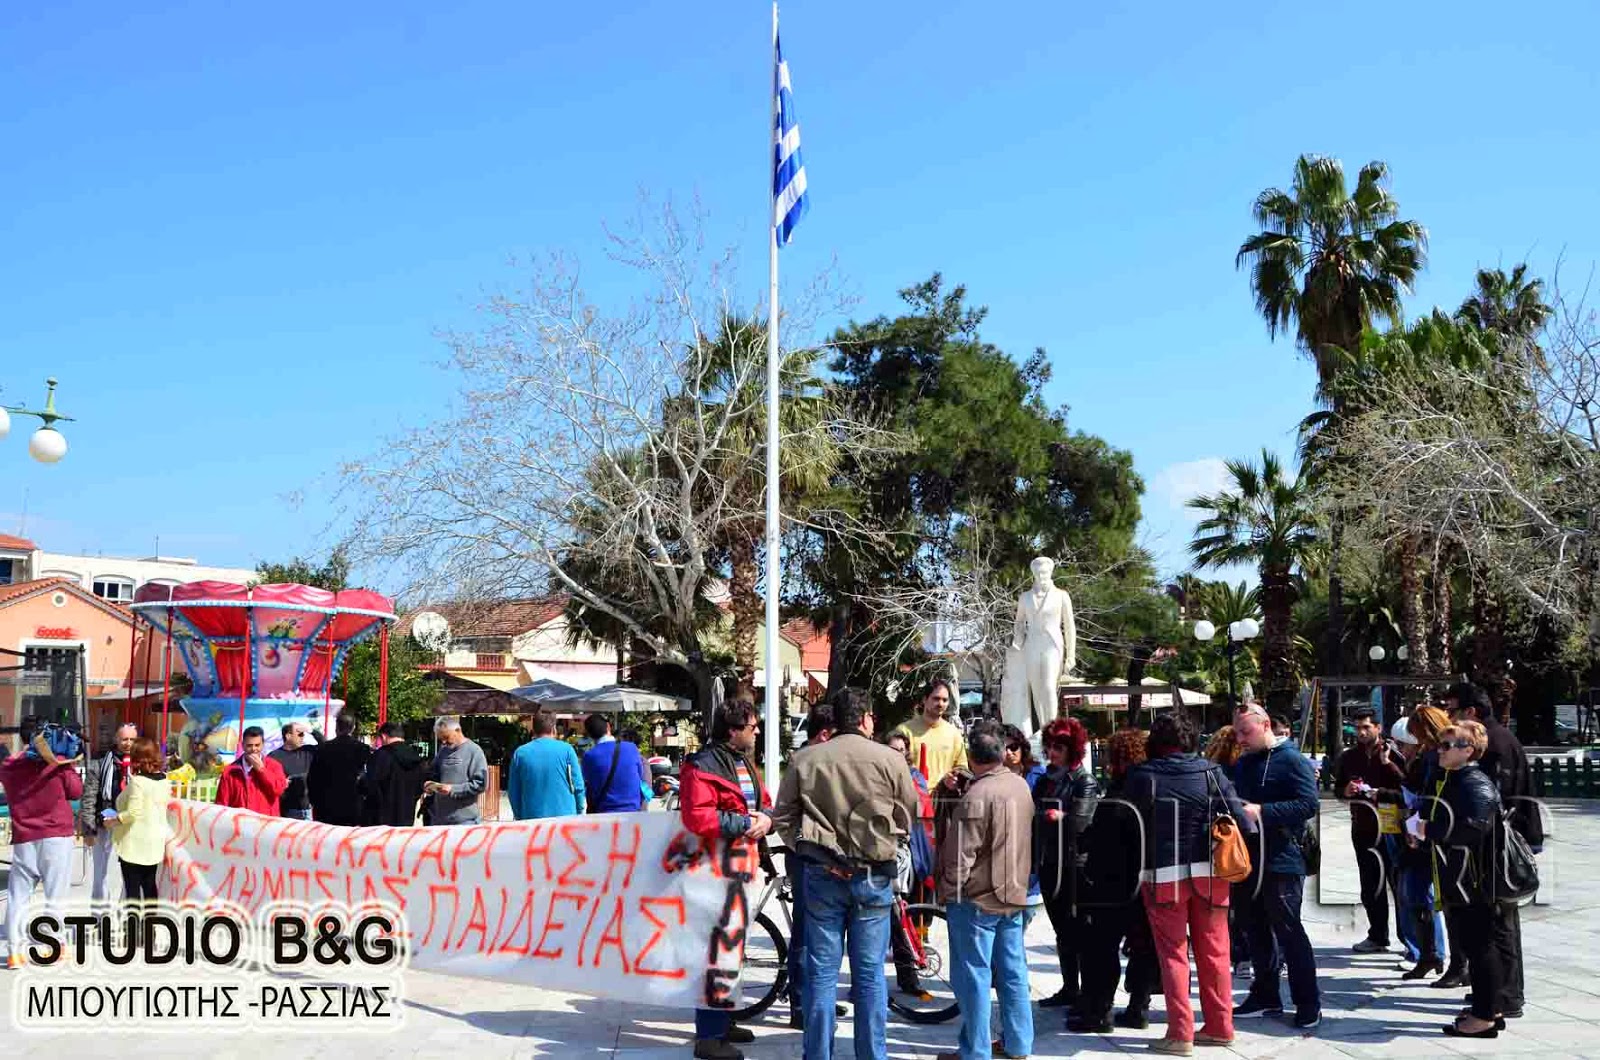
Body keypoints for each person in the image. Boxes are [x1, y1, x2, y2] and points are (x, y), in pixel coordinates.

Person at [772, 687, 919, 1060]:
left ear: (834, 719)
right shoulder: (890, 759)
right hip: (874, 873)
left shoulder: (806, 760)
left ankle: (818, 1054)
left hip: (823, 873)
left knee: (821, 975)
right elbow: (908, 813)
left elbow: (784, 818)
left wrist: (808, 849)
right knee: (869, 976)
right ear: (867, 717)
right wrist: (886, 842)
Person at [1124, 711, 1251, 1055]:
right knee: (1215, 952)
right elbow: (1244, 822)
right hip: (1211, 874)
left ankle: (1181, 1033)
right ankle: (1220, 1026)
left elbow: (1125, 826)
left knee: (1173, 955)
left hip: (1163, 874)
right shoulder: (1212, 773)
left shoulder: (1142, 776)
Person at [933, 721, 1034, 1060]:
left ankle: (975, 1051)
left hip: (976, 898)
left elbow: (961, 856)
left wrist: (946, 891)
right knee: (1012, 971)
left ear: (972, 755)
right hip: (1012, 891)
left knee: (973, 976)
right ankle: (1018, 1043)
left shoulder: (978, 795)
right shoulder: (1019, 786)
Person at [679, 701, 773, 1060]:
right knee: (716, 950)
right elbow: (697, 817)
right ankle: (709, 1036)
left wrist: (766, 818)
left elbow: (762, 802)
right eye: (753, 726)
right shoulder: (700, 766)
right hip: (715, 871)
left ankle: (724, 1019)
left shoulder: (741, 761)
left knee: (731, 947)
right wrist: (747, 824)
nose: (758, 731)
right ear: (733, 729)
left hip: (738, 868)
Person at [1444, 681, 1539, 1018]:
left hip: (1499, 852)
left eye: (1453, 709)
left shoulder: (1494, 744)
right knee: (1495, 926)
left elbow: (1495, 807)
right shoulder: (1498, 739)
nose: (1448, 716)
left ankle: (1507, 996)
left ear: (1470, 712)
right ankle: (1494, 992)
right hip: (1495, 849)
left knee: (1501, 927)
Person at [1232, 706, 1322, 1030]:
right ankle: (1266, 994)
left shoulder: (1293, 760)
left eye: (1246, 732)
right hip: (1247, 859)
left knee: (1288, 930)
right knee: (1254, 928)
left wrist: (1263, 811)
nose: (1240, 739)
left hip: (1283, 859)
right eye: (1237, 733)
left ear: (1266, 724)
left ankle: (1308, 1002)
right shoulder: (1243, 764)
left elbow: (1308, 804)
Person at [1415, 720, 1506, 1039]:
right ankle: (1489, 1008)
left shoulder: (1474, 782)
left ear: (1468, 751)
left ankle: (1484, 1017)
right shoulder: (1457, 778)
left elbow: (1472, 829)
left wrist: (1431, 831)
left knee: (1480, 946)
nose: (1438, 750)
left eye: (1445, 746)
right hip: (1463, 876)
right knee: (1476, 944)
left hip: (1475, 879)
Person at [1074, 727, 1162, 1035]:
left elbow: (1105, 834)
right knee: (1142, 945)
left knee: (1102, 947)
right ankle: (1139, 1007)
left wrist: (1085, 841)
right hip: (1146, 877)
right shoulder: (1153, 783)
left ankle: (1099, 1012)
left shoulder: (1123, 788)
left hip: (1113, 879)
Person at [1, 717, 85, 969]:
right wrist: (62, 762)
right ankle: (54, 945)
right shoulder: (56, 764)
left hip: (25, 837)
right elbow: (76, 791)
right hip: (56, 835)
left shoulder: (8, 764)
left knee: (19, 896)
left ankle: (15, 952)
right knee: (55, 894)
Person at [1032, 716, 1098, 1013]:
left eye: (1059, 747)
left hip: (1074, 866)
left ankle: (1085, 991)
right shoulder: (1046, 780)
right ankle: (1070, 988)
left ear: (1073, 749)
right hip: (1049, 862)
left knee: (1079, 931)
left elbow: (1081, 822)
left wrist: (1060, 818)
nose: (1053, 752)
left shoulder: (1083, 780)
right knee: (1062, 930)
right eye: (1050, 746)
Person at [1335, 707, 1406, 953]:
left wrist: (1383, 786)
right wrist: (1346, 792)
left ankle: (1410, 941)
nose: (1362, 732)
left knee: (1400, 885)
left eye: (1367, 727)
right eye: (1358, 727)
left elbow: (1408, 791)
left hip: (1394, 828)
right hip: (1364, 828)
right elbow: (1338, 789)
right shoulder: (1349, 757)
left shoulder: (1394, 754)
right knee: (1371, 885)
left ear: (1379, 728)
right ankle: (1377, 935)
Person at [1398, 706, 1455, 984]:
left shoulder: (1440, 756)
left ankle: (1450, 959)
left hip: (1432, 834)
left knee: (1432, 897)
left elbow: (1431, 795)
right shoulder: (1427, 756)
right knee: (1414, 895)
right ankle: (1427, 954)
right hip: (1418, 830)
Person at [885, 729, 935, 997]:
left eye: (900, 750)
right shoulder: (877, 775)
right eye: (891, 750)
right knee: (890, 918)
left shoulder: (914, 778)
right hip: (884, 853)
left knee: (905, 916)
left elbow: (918, 806)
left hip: (911, 856)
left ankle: (909, 975)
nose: (896, 755)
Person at [1203, 724, 1249, 976]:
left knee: (1228, 904)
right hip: (1244, 840)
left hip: (1220, 840)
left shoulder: (1211, 771)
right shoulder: (1245, 769)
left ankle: (1239, 956)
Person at [79, 722, 137, 909]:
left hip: (132, 826)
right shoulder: (101, 764)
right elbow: (89, 798)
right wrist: (88, 829)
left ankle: (125, 912)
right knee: (101, 873)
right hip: (106, 821)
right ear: (116, 740)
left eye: (132, 739)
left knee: (130, 874)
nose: (128, 743)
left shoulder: (142, 765)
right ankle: (99, 913)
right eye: (124, 739)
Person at [111, 736, 172, 911]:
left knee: (133, 892)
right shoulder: (164, 780)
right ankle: (150, 928)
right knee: (150, 887)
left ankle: (133, 930)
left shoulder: (138, 782)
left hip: (134, 844)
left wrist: (114, 820)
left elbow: (133, 813)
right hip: (154, 843)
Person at [1001, 724, 1047, 920]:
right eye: (1004, 748)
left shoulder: (1038, 774)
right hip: (1004, 847)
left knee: (1027, 908)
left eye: (1014, 747)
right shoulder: (993, 776)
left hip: (1032, 846)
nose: (1010, 753)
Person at [892, 679, 969, 790]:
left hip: (942, 801)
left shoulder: (954, 734)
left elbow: (962, 767)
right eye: (936, 699)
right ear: (924, 700)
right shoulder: (904, 731)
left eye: (945, 700)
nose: (940, 704)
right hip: (913, 799)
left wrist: (953, 778)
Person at [508, 712, 586, 819]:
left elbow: (514, 791)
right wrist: (579, 810)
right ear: (554, 729)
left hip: (532, 819)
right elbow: (578, 786)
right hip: (565, 819)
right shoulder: (567, 750)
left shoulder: (520, 753)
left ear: (533, 730)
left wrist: (519, 816)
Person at [306, 712, 372, 826]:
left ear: (336, 727)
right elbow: (367, 778)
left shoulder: (324, 749)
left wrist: (315, 802)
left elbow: (312, 778)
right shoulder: (363, 749)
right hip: (353, 805)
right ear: (353, 727)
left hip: (325, 806)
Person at [363, 722, 429, 826]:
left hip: (381, 817)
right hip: (407, 815)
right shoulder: (416, 757)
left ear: (384, 736)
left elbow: (370, 784)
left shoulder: (381, 756)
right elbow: (421, 786)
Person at [426, 716, 489, 825]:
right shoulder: (443, 751)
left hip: (464, 821)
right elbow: (433, 773)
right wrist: (430, 785)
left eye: (446, 737)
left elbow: (480, 784)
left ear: (458, 730)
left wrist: (453, 789)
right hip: (439, 819)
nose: (444, 742)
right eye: (441, 739)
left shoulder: (474, 751)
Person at [580, 713, 646, 814]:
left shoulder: (589, 756)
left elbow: (589, 784)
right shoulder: (631, 748)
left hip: (604, 814)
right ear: (608, 727)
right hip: (632, 813)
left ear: (589, 735)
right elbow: (641, 776)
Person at [216, 726, 288, 814]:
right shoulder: (230, 771)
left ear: (263, 744)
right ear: (243, 745)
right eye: (249, 745)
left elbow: (279, 790)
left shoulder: (274, 766)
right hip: (240, 823)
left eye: (257, 745)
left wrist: (262, 770)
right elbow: (222, 803)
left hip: (265, 823)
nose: (254, 749)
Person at [268, 720, 315, 819]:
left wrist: (311, 731)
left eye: (303, 734)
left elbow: (325, 745)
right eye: (300, 734)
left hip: (309, 810)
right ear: (288, 736)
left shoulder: (308, 751)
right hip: (287, 811)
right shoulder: (274, 756)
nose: (303, 737)